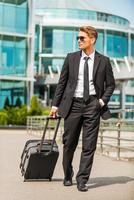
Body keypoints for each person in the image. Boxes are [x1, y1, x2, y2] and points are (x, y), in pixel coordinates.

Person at [50, 26, 115, 192]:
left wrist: (101, 102)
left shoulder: (104, 61)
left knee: (89, 146)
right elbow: (62, 83)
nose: (79, 41)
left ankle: (82, 179)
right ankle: (67, 174)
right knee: (68, 143)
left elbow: (111, 85)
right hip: (73, 105)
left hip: (93, 105)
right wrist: (55, 105)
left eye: (82, 38)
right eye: (78, 38)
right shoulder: (71, 58)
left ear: (92, 40)